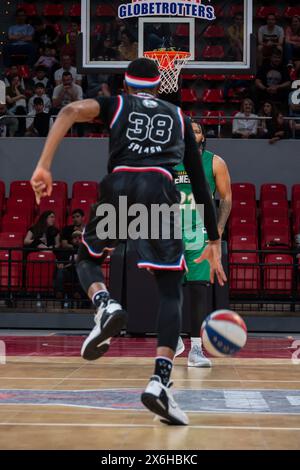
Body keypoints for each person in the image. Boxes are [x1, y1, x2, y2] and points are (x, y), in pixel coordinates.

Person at [30, 58, 226, 426]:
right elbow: (200, 184)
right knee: (170, 290)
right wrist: (214, 238)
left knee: (87, 259)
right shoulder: (179, 117)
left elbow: (71, 109)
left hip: (120, 189)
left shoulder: (116, 104)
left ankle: (104, 304)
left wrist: (43, 164)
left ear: (126, 84)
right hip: (160, 191)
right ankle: (160, 382)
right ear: (158, 85)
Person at [174, 121, 232, 367]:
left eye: (196, 130)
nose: (192, 133)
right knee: (170, 289)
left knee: (198, 290)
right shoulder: (168, 161)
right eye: (188, 129)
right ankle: (173, 338)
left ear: (202, 137)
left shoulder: (215, 162)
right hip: (171, 232)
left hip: (199, 235)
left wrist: (217, 230)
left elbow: (226, 197)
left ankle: (196, 350)